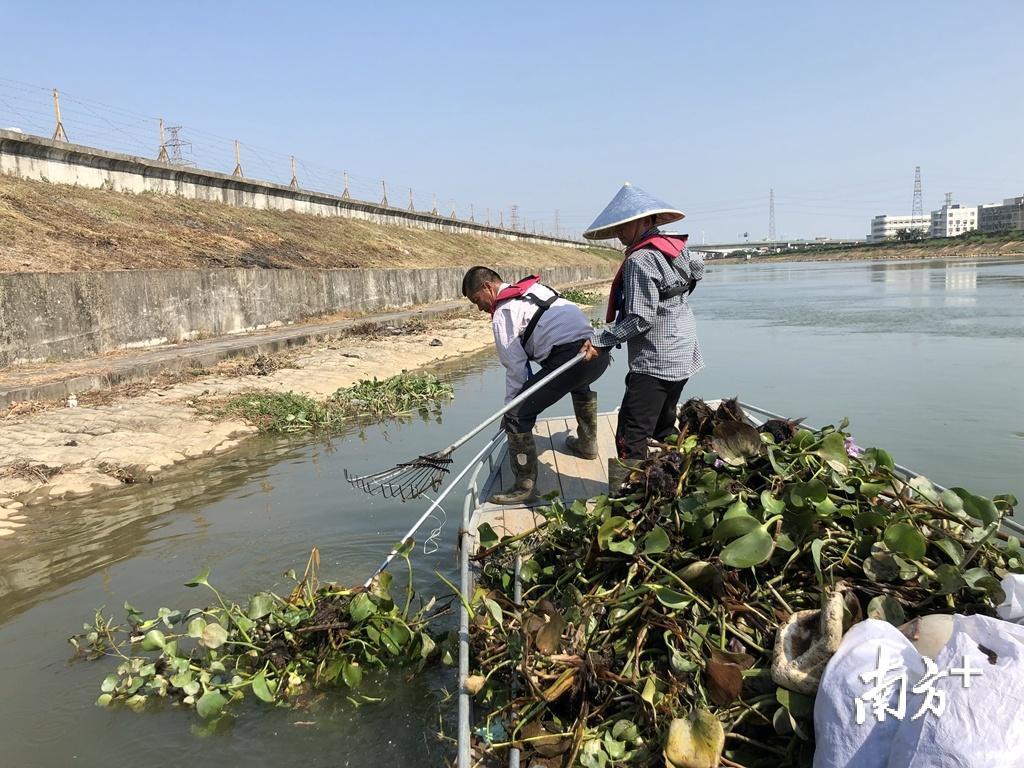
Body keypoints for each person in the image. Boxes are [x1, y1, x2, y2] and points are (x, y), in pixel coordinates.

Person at [580, 183, 705, 491]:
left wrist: (601, 339)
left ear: (645, 221)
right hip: (683, 348)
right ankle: (672, 483)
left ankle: (629, 499)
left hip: (657, 358)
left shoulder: (640, 260)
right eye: (617, 226)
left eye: (624, 225)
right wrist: (671, 302)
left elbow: (640, 319)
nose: (620, 232)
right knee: (664, 424)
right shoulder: (677, 247)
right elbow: (698, 271)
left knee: (630, 435)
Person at [462, 266, 611, 504]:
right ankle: (587, 444)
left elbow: (516, 369)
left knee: (517, 413)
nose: (479, 308)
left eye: (476, 300)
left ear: (487, 287)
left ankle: (524, 487)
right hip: (597, 355)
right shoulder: (534, 290)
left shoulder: (504, 311)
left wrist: (512, 409)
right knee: (578, 384)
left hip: (572, 360)